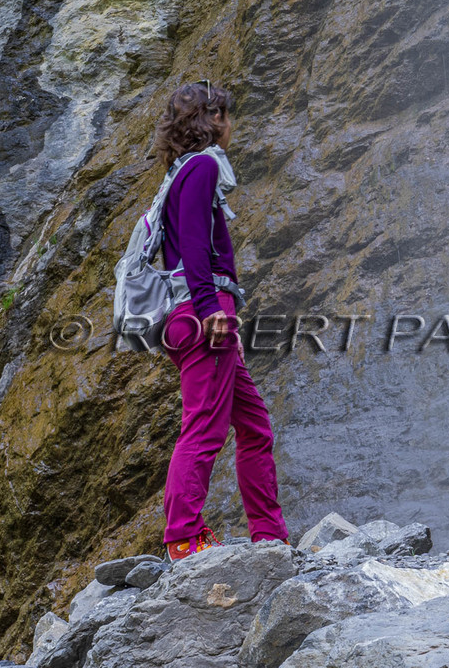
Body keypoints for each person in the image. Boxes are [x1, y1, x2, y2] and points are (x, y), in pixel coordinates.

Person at [154, 78, 291, 560]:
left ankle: (270, 535)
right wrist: (213, 311)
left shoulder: (180, 171)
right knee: (205, 427)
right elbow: (194, 244)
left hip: (187, 312)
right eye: (226, 116)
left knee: (254, 426)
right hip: (203, 311)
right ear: (212, 121)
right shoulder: (203, 166)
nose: (231, 126)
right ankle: (184, 537)